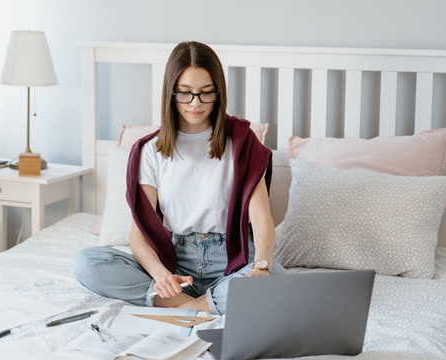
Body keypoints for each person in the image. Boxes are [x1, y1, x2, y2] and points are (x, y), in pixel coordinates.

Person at [73, 41, 286, 315]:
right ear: (171, 94)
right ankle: (200, 303)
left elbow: (260, 218)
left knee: (277, 275)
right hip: (176, 261)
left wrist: (261, 266)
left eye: (206, 94)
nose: (196, 104)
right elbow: (138, 238)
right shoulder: (150, 151)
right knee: (86, 262)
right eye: (185, 94)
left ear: (218, 93)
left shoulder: (242, 143)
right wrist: (162, 277)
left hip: (230, 260)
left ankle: (184, 308)